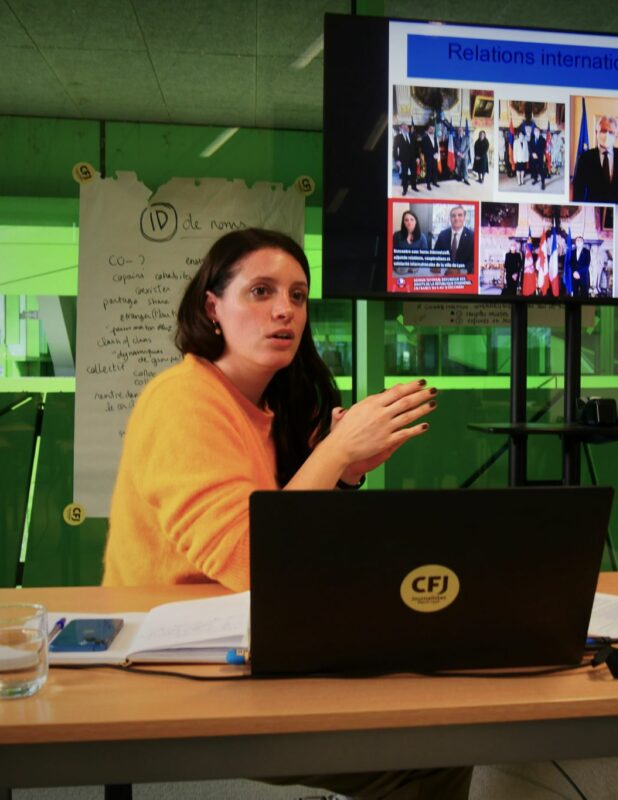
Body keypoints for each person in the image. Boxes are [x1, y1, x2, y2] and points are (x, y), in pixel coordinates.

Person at [103, 228, 471, 800]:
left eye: (298, 296)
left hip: (253, 634)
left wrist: (344, 472)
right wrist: (335, 453)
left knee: (433, 707)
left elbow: (306, 547)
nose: (285, 311)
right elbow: (258, 562)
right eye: (261, 291)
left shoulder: (271, 404)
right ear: (212, 308)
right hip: (177, 659)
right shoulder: (183, 400)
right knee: (427, 754)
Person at [572, 115, 618, 204]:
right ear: (596, 133)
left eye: (611, 132)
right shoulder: (585, 158)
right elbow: (578, 189)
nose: (607, 135)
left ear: (616, 136)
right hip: (594, 207)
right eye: (603, 131)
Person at [433, 205, 474, 273]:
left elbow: (473, 262)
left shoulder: (472, 236)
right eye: (453, 216)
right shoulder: (442, 235)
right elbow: (435, 255)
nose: (456, 218)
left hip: (464, 276)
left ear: (464, 217)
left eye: (460, 215)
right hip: (444, 274)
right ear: (450, 218)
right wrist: (436, 265)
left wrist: (459, 271)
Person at [392, 122, 419, 196]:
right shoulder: (397, 137)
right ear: (400, 128)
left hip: (413, 159)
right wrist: (397, 160)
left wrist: (417, 157)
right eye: (404, 127)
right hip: (403, 160)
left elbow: (416, 148)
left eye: (407, 127)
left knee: (414, 173)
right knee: (404, 175)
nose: (406, 129)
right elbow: (394, 150)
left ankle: (414, 187)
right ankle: (405, 189)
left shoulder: (412, 136)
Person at [421, 124, 440, 190]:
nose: (432, 130)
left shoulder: (435, 138)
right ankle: (428, 184)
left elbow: (436, 147)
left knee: (434, 170)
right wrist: (432, 154)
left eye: (433, 129)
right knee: (428, 171)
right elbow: (424, 149)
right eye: (431, 129)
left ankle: (434, 182)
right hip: (429, 157)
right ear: (428, 129)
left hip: (435, 157)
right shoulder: (424, 138)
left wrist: (437, 153)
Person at [528, 125, 547, 189]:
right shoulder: (532, 139)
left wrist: (537, 155)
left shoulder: (543, 140)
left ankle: (543, 183)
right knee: (534, 169)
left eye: (537, 131)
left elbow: (543, 149)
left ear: (539, 132)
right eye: (535, 131)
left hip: (540, 157)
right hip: (533, 157)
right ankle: (535, 179)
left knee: (541, 170)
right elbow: (530, 147)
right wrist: (532, 153)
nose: (536, 132)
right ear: (534, 132)